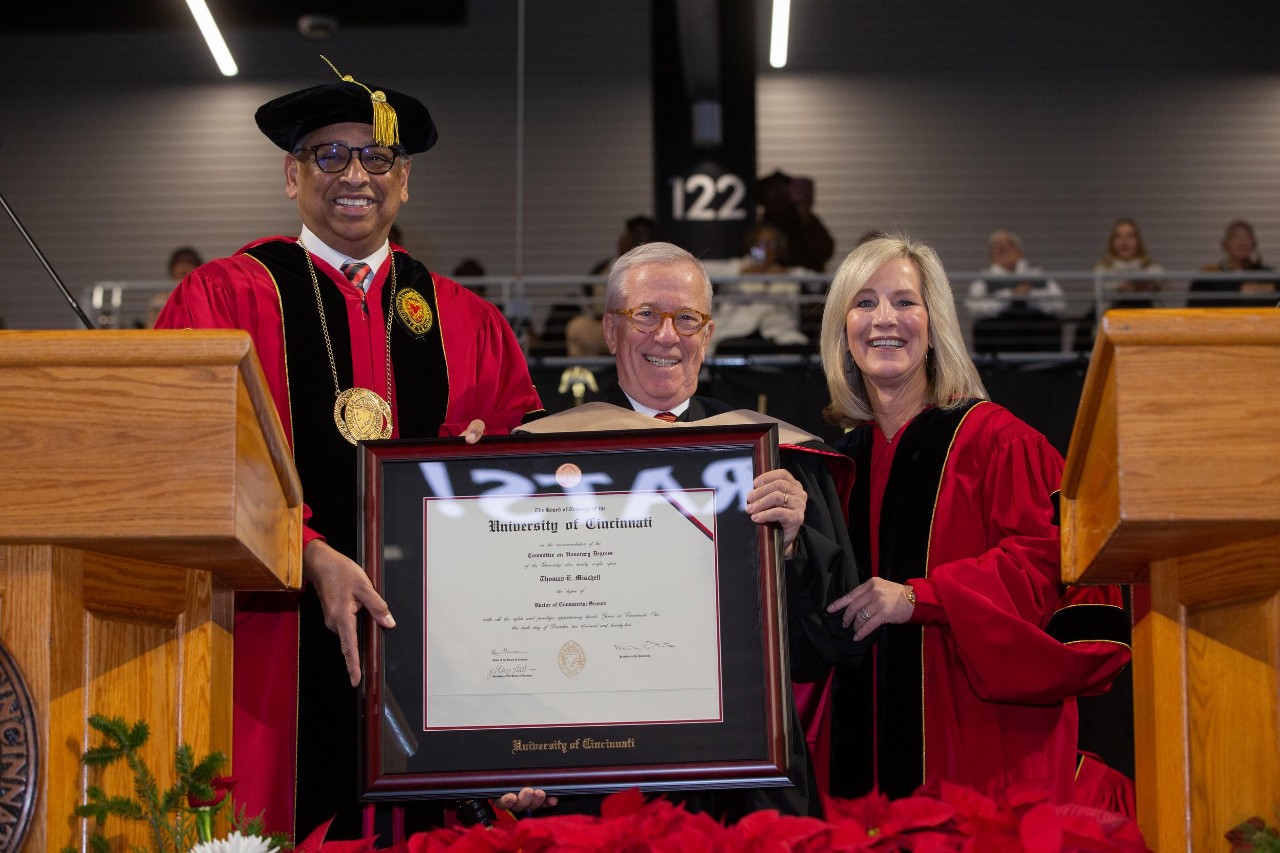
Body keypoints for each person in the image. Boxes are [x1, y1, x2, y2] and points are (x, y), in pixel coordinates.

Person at [154, 59, 546, 840]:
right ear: (290, 176)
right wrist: (306, 552)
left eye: (377, 156)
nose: (355, 175)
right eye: (329, 154)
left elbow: (532, 493)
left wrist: (493, 479)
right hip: (270, 650)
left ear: (405, 180)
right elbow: (182, 460)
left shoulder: (467, 323)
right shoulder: (226, 297)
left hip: (441, 664)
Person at [517, 241, 867, 819]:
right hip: (594, 780)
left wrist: (795, 547)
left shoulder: (775, 460)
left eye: (686, 319)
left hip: (743, 777)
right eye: (645, 315)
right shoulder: (539, 460)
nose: (667, 336)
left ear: (707, 335)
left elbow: (836, 644)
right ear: (610, 331)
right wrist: (509, 753)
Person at [818, 234, 1132, 806]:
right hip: (864, 778)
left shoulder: (1000, 443)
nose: (884, 318)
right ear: (842, 330)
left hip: (987, 758)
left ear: (935, 323)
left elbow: (1049, 569)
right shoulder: (838, 469)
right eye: (864, 303)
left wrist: (921, 597)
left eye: (905, 301)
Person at [703, 224, 810, 355]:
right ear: (752, 246)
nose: (767, 249)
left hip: (779, 331)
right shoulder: (735, 267)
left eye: (772, 244)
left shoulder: (791, 273)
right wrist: (744, 272)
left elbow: (817, 282)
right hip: (736, 329)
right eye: (762, 243)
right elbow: (702, 268)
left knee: (797, 350)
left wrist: (783, 273)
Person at [967, 229, 1067, 352]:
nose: (1004, 248)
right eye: (997, 246)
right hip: (1000, 347)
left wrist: (1030, 295)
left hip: (1039, 345)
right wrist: (1010, 295)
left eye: (1009, 244)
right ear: (991, 255)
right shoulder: (983, 280)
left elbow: (1060, 304)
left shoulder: (1038, 275)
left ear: (1020, 251)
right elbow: (975, 309)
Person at [757, 171, 836, 272]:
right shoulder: (764, 226)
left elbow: (824, 251)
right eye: (775, 193)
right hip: (771, 277)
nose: (780, 197)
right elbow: (755, 255)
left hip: (806, 277)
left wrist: (805, 214)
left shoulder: (803, 219)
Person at [1189, 219, 1279, 307]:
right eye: (1235, 237)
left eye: (1247, 237)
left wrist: (1260, 288)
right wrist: (1239, 290)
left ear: (1254, 244)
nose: (1242, 242)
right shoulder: (1210, 276)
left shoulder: (1266, 274)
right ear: (1224, 244)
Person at [1093, 218, 1164, 310]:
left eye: (1130, 236)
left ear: (1138, 241)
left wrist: (1137, 285)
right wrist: (1120, 287)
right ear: (1112, 242)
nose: (1124, 241)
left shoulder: (1152, 268)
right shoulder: (1102, 270)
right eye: (1119, 236)